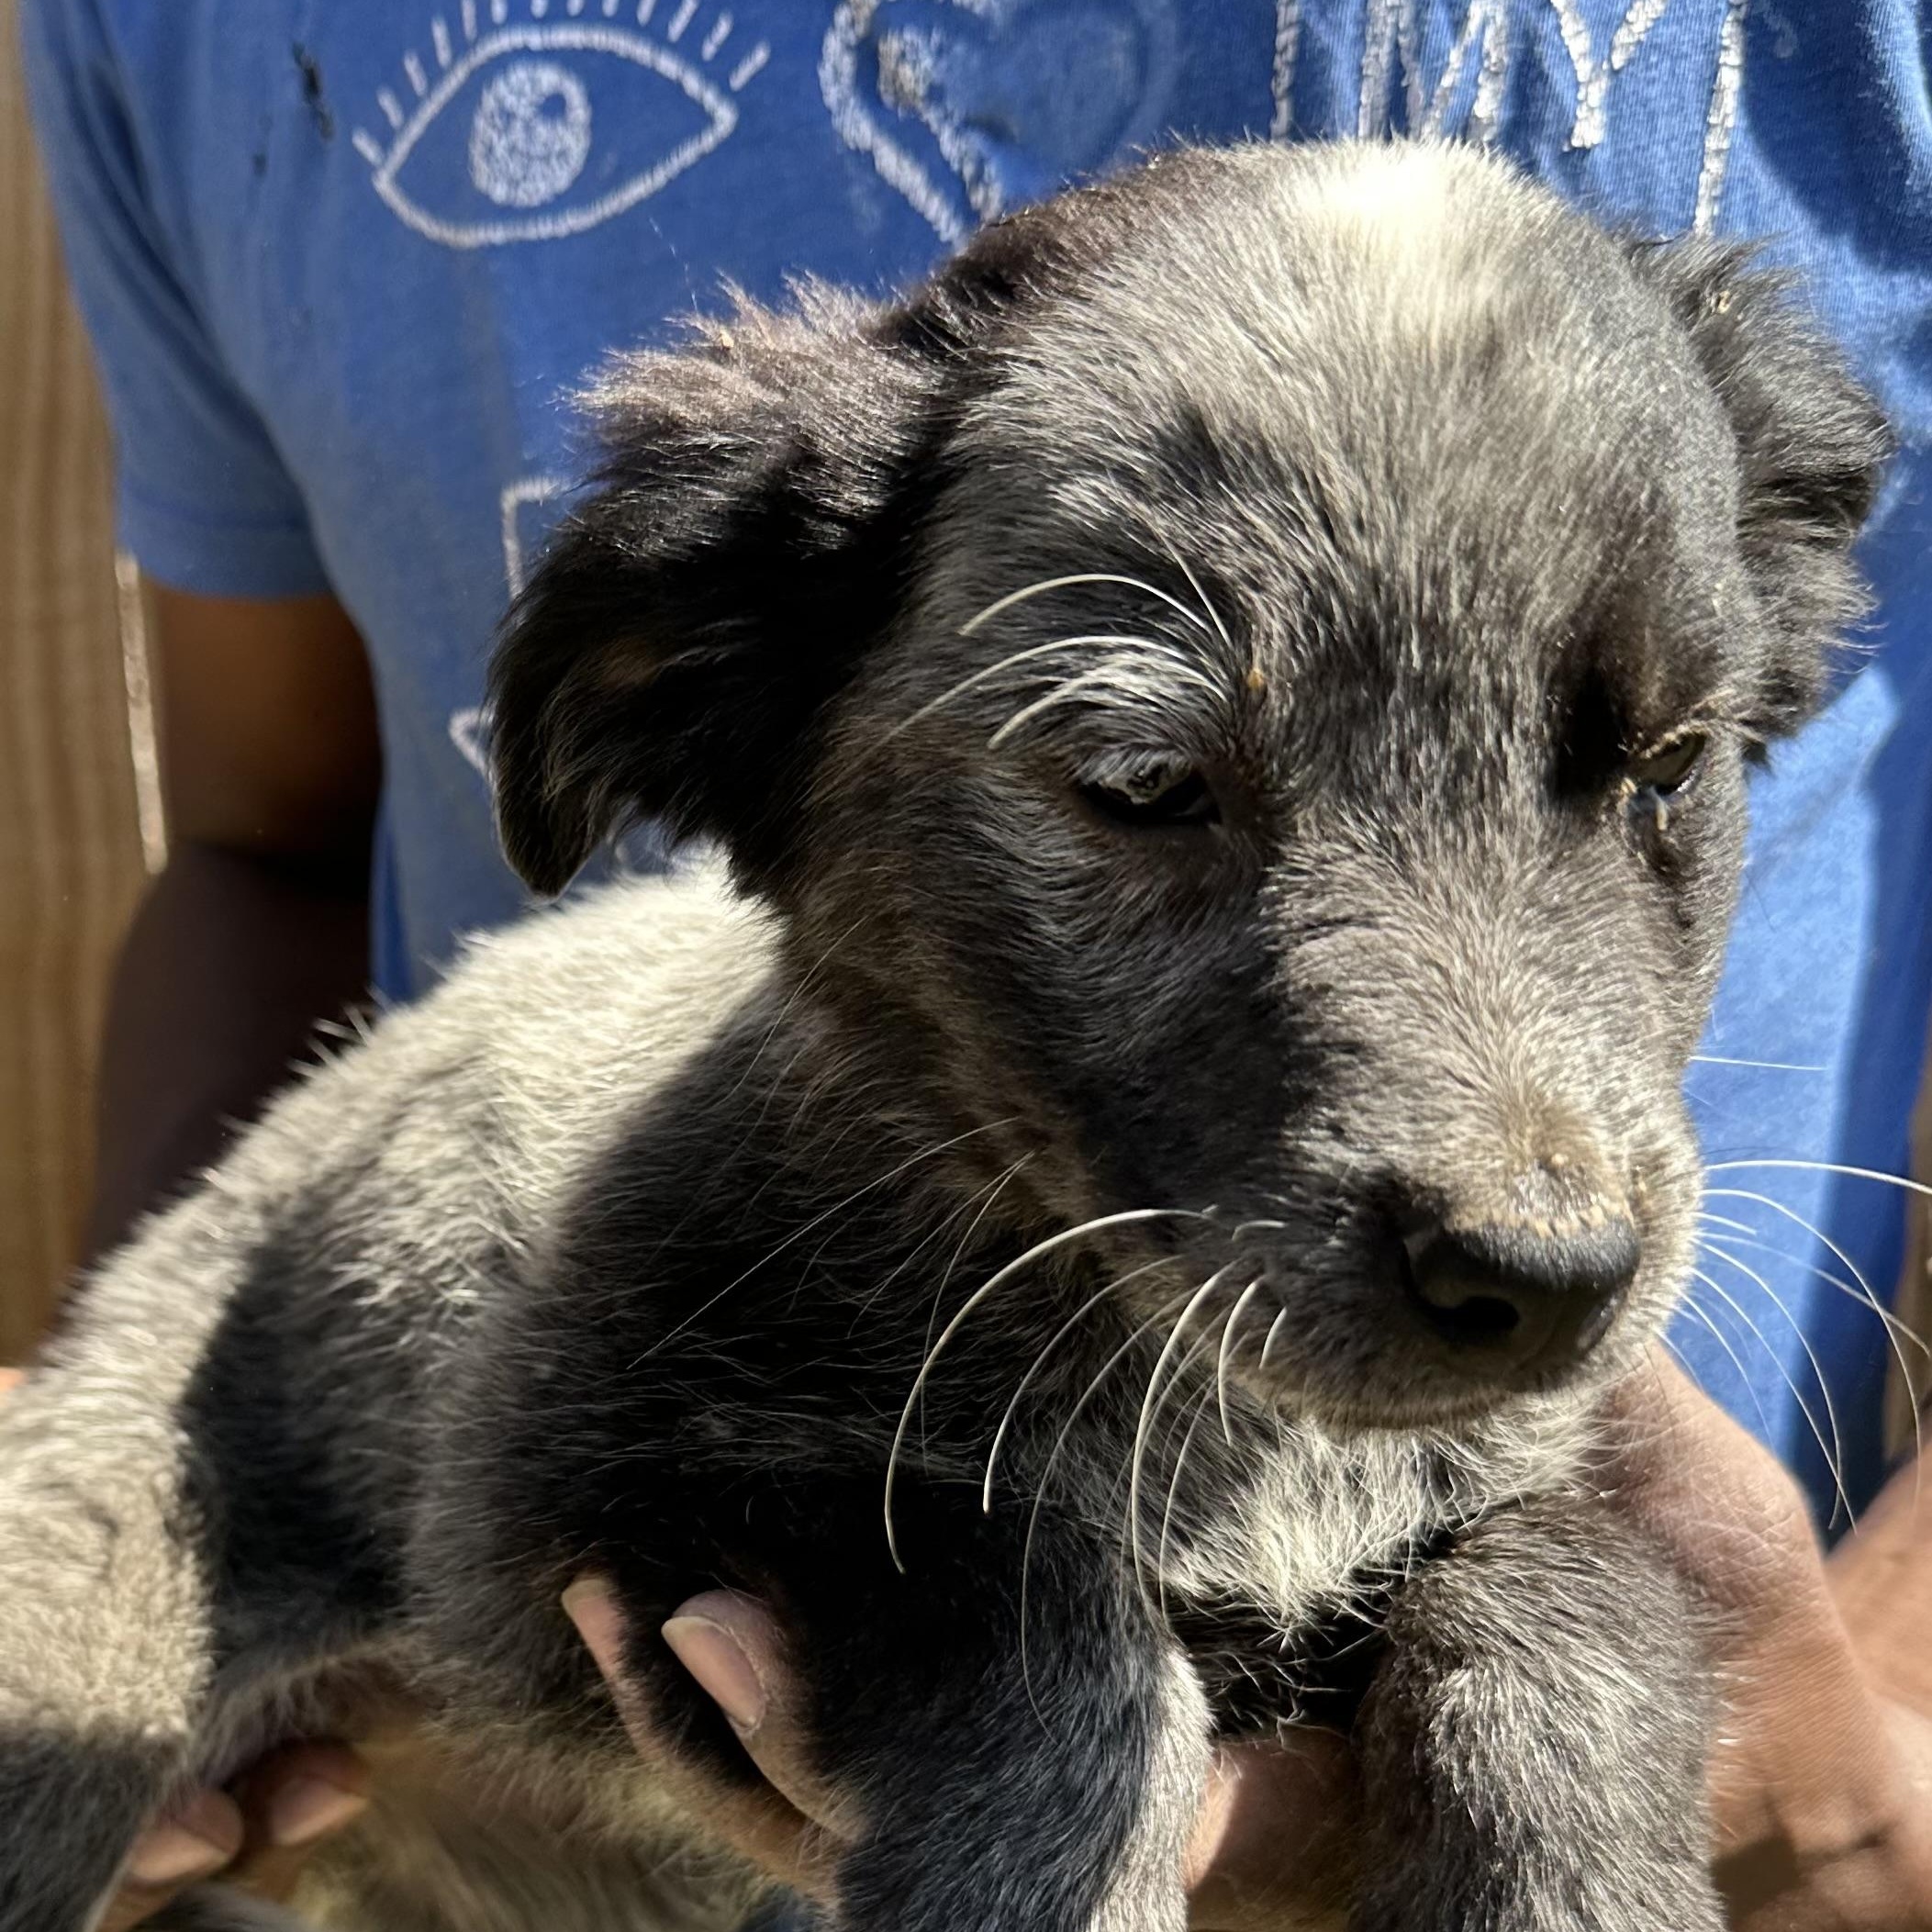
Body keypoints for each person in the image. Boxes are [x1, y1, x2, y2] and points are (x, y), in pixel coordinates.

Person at [17, 1, 1931, 1925]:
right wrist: (143, 1558)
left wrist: (1869, 1770)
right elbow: (272, 866)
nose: (1526, 1183)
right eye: (1149, 784)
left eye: (1656, 768)